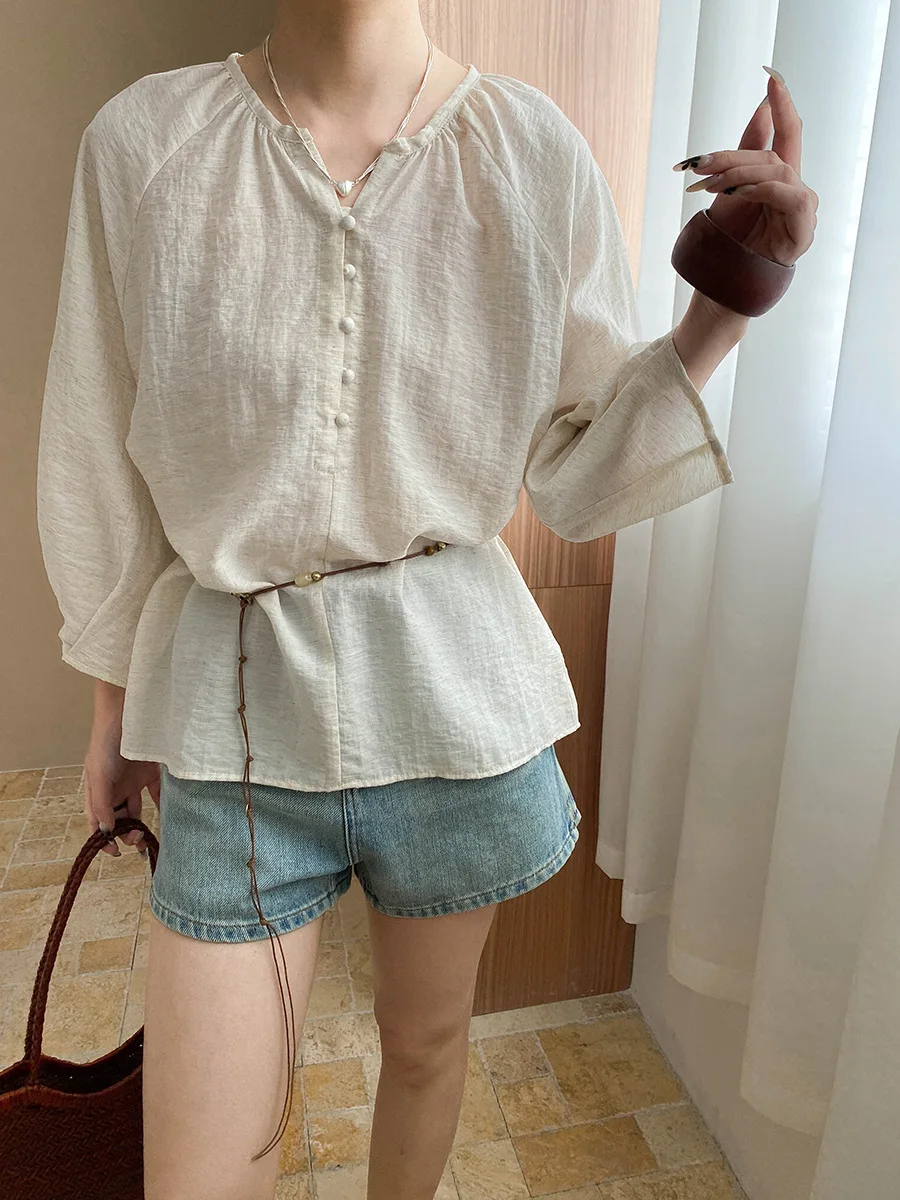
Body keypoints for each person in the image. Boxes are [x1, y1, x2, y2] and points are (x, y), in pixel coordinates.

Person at [35, 1, 816, 1197]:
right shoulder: (147, 143)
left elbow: (579, 478)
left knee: (428, 1047)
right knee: (200, 1169)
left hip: (458, 715)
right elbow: (97, 445)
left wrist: (728, 303)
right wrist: (111, 703)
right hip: (236, 721)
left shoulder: (531, 149)